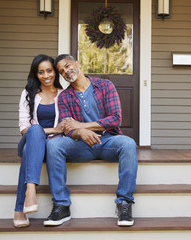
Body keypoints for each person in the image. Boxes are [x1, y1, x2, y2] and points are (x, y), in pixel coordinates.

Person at [43, 54, 138, 227]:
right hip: (80, 146)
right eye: (62, 71)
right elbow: (67, 127)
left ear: (77, 64)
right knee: (53, 144)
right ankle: (61, 205)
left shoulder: (104, 85)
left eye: (68, 66)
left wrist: (82, 126)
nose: (66, 71)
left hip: (108, 141)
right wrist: (79, 131)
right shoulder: (65, 97)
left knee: (129, 144)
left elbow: (115, 119)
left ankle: (124, 203)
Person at [13, 54, 64, 228]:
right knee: (34, 130)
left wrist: (56, 133)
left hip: (51, 145)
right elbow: (24, 128)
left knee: (30, 152)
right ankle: (31, 191)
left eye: (49, 70)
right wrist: (53, 130)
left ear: (55, 72)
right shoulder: (28, 94)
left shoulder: (63, 95)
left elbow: (66, 127)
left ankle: (20, 208)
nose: (46, 75)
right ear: (36, 75)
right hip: (30, 139)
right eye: (41, 72)